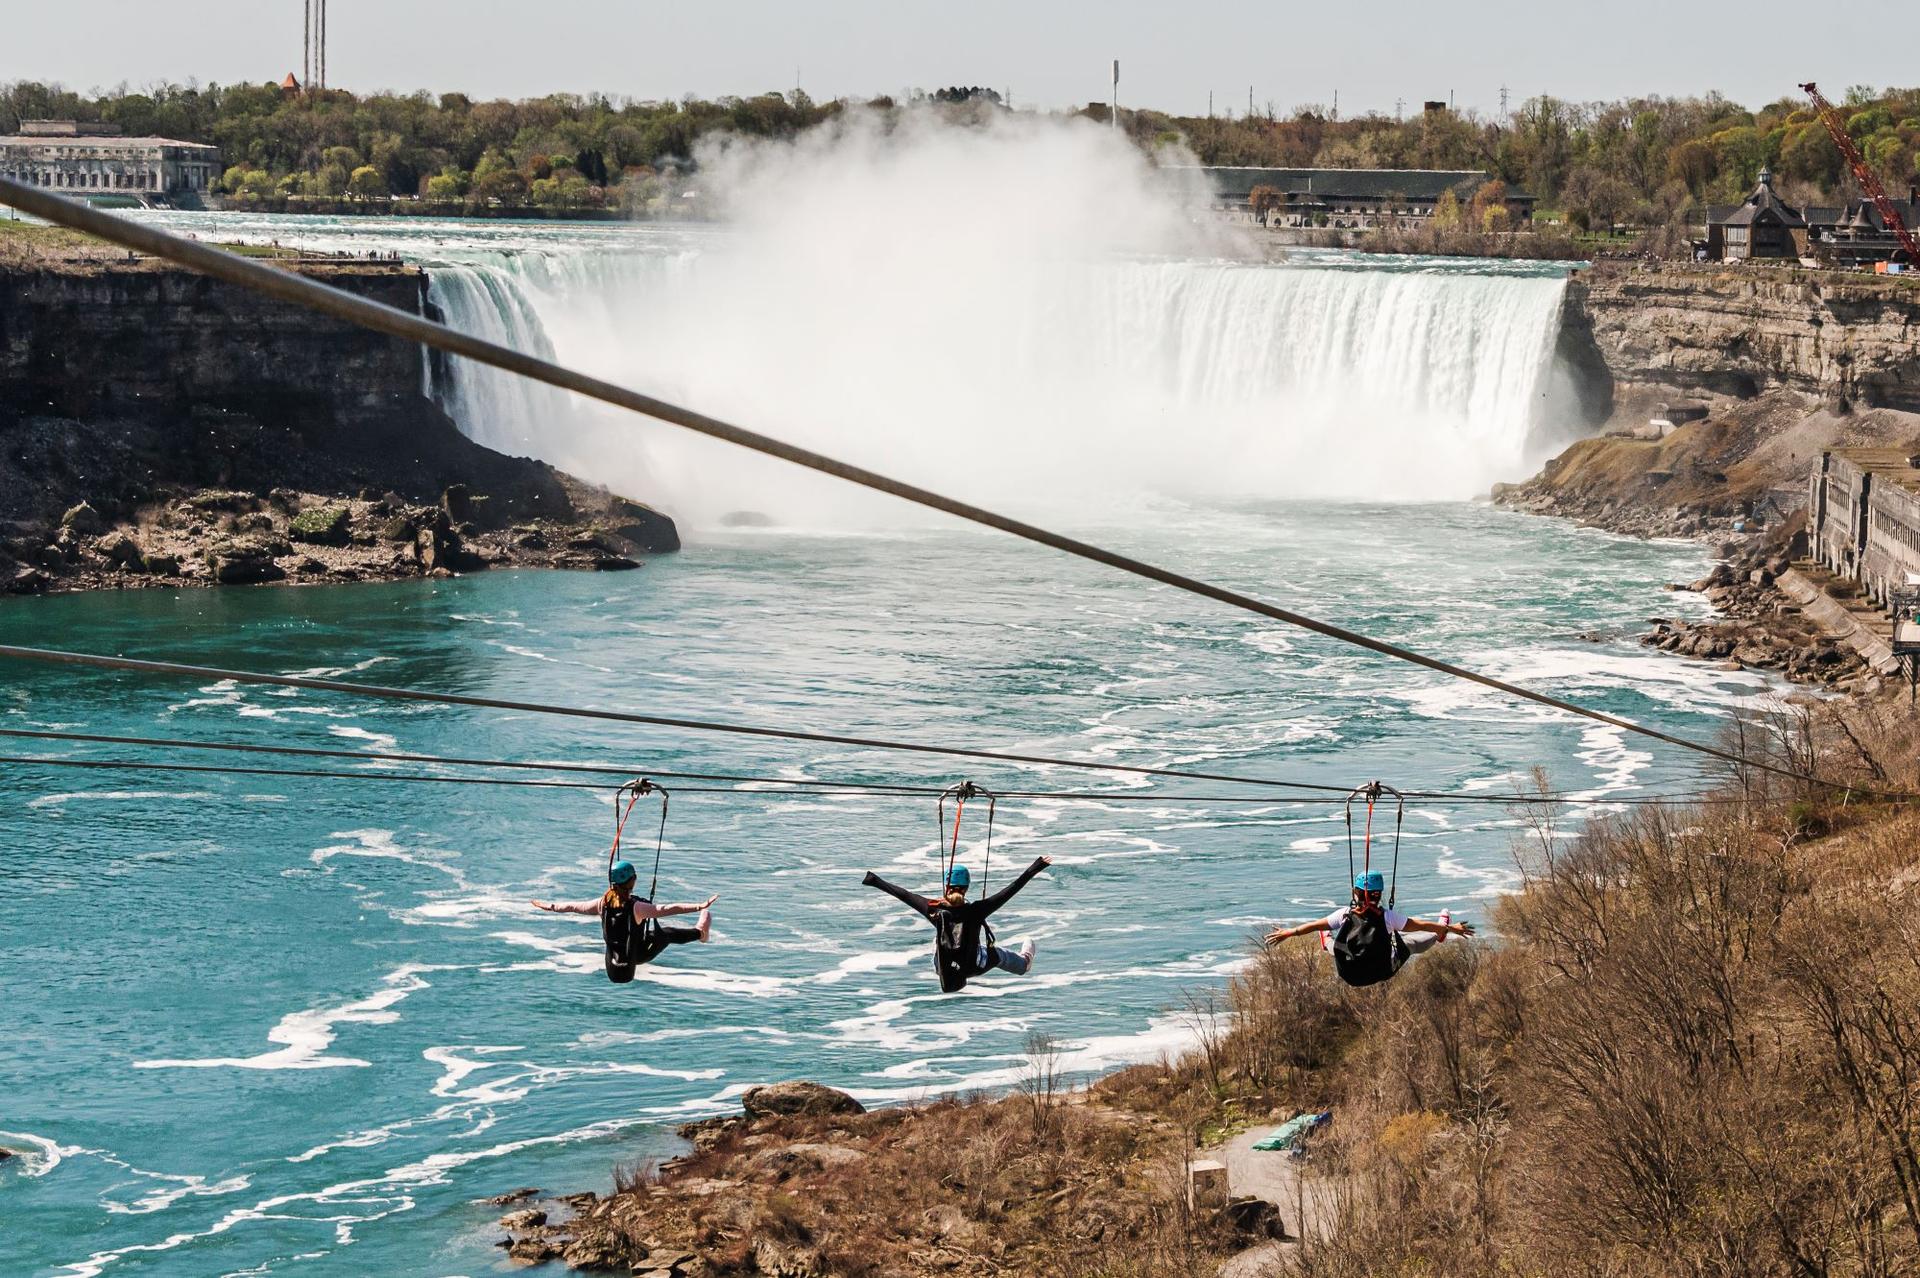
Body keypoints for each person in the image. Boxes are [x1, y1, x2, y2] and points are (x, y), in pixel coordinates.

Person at [863, 856, 1052, 992]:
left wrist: (875, 881)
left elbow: (904, 895)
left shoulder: (935, 910)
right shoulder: (977, 910)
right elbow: (1011, 890)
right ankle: (1024, 963)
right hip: (973, 966)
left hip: (943, 968)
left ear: (947, 886)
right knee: (999, 955)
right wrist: (1035, 867)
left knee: (940, 935)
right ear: (967, 886)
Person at [1263, 871, 1474, 987]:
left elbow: (1313, 925)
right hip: (1381, 971)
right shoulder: (1388, 917)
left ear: (1356, 893)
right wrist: (1449, 928)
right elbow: (1420, 925)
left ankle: (1325, 940)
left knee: (1338, 948)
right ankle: (1440, 935)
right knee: (1412, 943)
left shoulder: (1345, 913)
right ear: (1379, 894)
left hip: (1350, 975)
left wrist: (1289, 933)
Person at [530, 859, 717, 982]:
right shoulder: (637, 908)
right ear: (632, 881)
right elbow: (666, 909)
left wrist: (550, 906)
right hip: (637, 956)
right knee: (666, 934)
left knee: (649, 934)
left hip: (613, 965)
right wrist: (698, 906)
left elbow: (572, 907)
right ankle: (701, 933)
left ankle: (700, 932)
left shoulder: (602, 904)